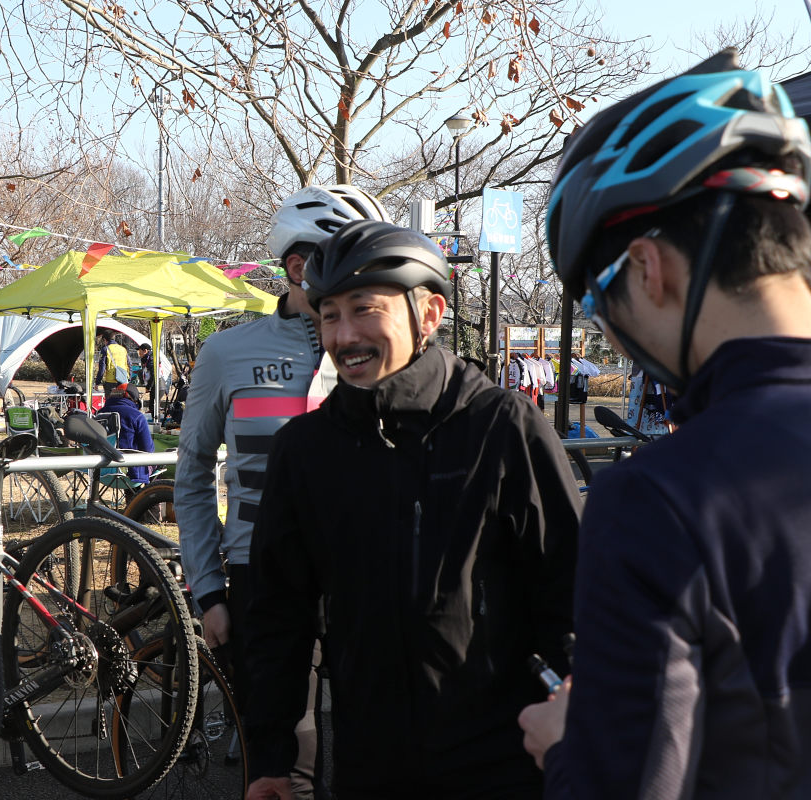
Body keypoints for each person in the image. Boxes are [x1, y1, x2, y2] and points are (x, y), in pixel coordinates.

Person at [517, 49, 811, 799]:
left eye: (599, 302)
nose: (611, 332)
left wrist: (563, 747)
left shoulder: (661, 501)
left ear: (649, 268)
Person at [245, 220, 581, 800]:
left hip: (501, 761)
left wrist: (575, 719)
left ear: (428, 315)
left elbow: (570, 590)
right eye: (329, 315)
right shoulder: (304, 450)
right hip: (369, 761)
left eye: (364, 310)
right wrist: (273, 758)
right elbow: (278, 615)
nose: (344, 334)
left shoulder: (502, 427)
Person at [175, 184, 394, 798]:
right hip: (259, 578)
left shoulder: (375, 350)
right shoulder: (227, 352)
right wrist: (208, 588)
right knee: (279, 763)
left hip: (361, 576)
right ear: (298, 266)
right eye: (345, 259)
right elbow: (191, 472)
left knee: (375, 752)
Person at [100, 383, 155, 485]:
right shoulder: (137, 416)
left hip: (103, 470)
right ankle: (146, 498)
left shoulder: (100, 413)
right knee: (158, 463)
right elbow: (148, 449)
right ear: (134, 400)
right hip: (131, 473)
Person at [95, 329, 130, 396]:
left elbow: (102, 367)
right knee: (121, 401)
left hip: (111, 381)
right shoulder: (123, 349)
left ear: (105, 339)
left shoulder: (105, 349)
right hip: (123, 380)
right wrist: (129, 378)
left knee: (111, 402)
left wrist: (97, 382)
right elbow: (129, 364)